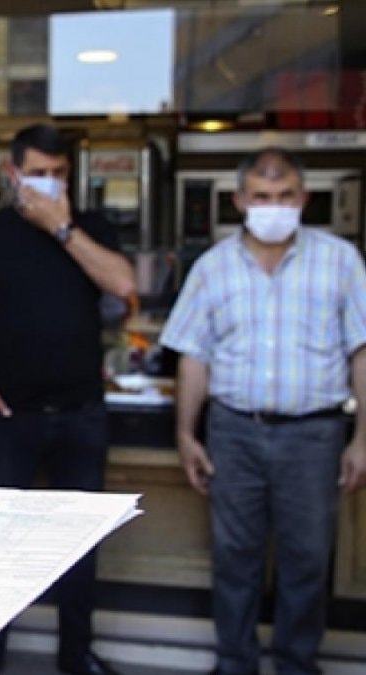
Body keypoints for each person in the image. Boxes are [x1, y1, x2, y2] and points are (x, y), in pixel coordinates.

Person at [160, 148, 366, 675]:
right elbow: (193, 357)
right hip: (234, 431)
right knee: (234, 558)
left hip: (314, 435)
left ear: (304, 198)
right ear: (239, 201)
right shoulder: (212, 268)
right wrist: (186, 433)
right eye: (262, 196)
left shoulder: (341, 261)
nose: (273, 206)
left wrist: (363, 438)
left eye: (284, 195)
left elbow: (361, 352)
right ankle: (235, 664)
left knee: (308, 559)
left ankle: (296, 664)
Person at [0, 123, 135, 675]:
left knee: (80, 545)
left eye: (57, 173)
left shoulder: (91, 228)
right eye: (38, 173)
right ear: (14, 173)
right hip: (9, 416)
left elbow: (123, 285)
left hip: (80, 414)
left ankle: (76, 655)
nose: (48, 181)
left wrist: (62, 228)